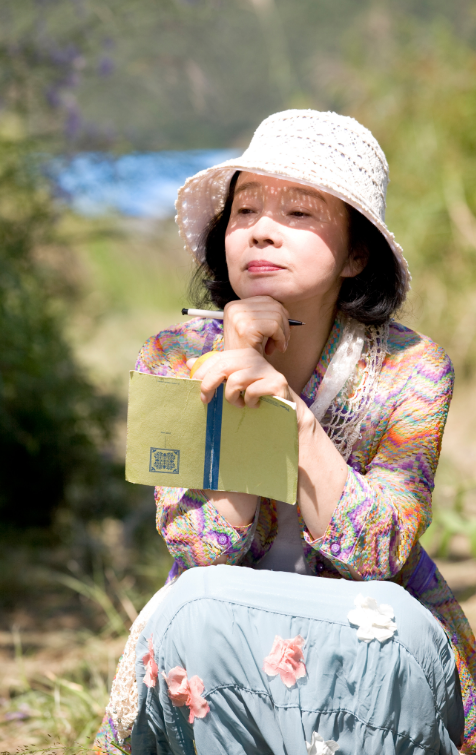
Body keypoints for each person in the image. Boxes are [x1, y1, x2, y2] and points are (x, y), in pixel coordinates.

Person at [94, 110, 476, 754]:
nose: (262, 232)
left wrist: (291, 416)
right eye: (244, 212)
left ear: (357, 252)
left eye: (299, 213)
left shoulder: (412, 369)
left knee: (390, 632)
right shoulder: (174, 357)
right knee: (201, 603)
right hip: (220, 643)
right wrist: (241, 388)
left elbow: (377, 557)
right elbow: (202, 551)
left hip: (366, 641)